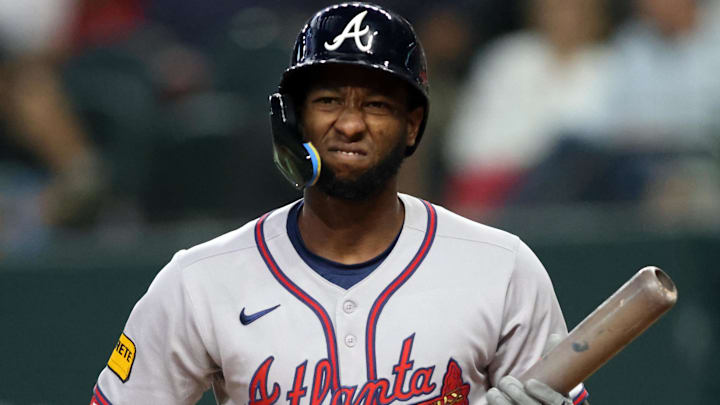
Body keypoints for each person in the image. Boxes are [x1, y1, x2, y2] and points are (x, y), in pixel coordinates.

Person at [90, 3, 589, 405]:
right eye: (329, 100)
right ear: (294, 118)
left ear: (412, 125)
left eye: (376, 104)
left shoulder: (501, 267)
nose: (350, 124)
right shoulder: (199, 280)